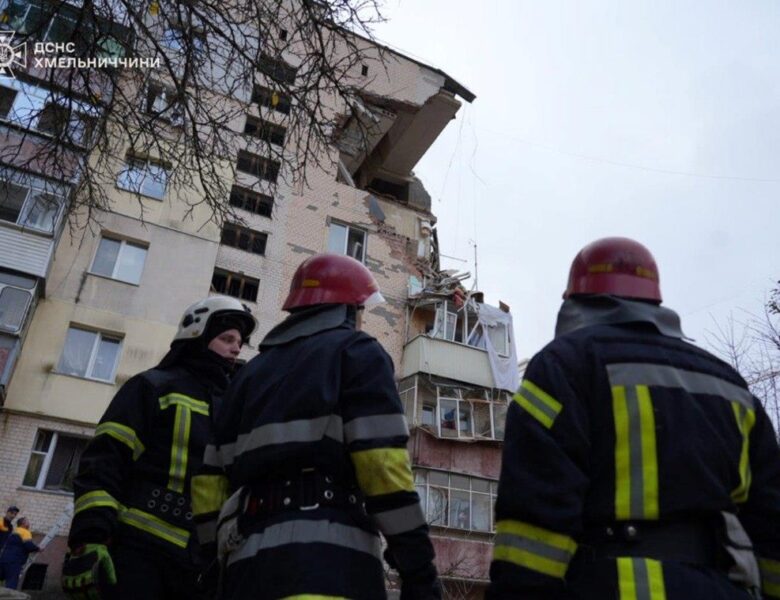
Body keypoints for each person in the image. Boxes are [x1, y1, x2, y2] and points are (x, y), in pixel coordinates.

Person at [488, 237, 780, 600]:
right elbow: (771, 524)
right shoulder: (729, 385)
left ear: (574, 301)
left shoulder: (563, 366)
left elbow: (534, 525)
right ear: (654, 301)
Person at [193, 254, 441, 599]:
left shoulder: (247, 375)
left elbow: (208, 484)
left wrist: (211, 562)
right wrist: (418, 566)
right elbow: (382, 466)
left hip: (243, 571)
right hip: (330, 567)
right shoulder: (358, 352)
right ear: (349, 310)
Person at [61, 296, 256, 600]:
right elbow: (104, 461)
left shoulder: (234, 406)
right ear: (198, 336)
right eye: (227, 338)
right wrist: (90, 537)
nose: (236, 347)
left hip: (203, 563)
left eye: (240, 342)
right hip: (138, 550)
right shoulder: (152, 387)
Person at [0, 517, 39, 589]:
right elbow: (29, 545)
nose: (29, 523)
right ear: (23, 524)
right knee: (11, 583)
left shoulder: (13, 532)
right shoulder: (25, 531)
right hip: (14, 562)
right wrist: (38, 548)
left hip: (3, 560)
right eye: (27, 522)